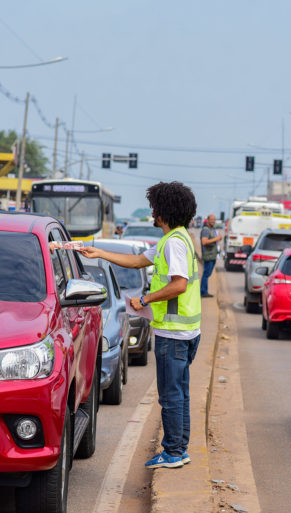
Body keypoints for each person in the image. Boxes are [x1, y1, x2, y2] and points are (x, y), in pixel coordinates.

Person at [80, 181, 200, 469]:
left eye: (155, 207)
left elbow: (179, 285)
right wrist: (100, 254)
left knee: (171, 396)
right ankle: (179, 449)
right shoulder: (176, 239)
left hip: (174, 334)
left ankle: (173, 452)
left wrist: (144, 299)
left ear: (164, 211)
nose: (152, 212)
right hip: (184, 332)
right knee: (180, 394)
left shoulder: (173, 244)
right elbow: (136, 261)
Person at [199, 214, 222, 297]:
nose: (213, 221)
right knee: (206, 274)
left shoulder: (212, 229)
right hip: (208, 255)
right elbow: (204, 242)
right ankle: (203, 291)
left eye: (214, 220)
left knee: (208, 274)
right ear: (208, 220)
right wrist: (217, 238)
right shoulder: (206, 230)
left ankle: (204, 290)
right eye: (211, 219)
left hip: (213, 255)